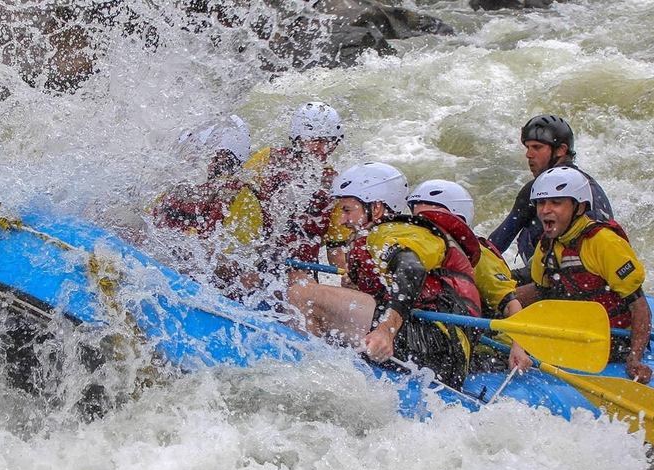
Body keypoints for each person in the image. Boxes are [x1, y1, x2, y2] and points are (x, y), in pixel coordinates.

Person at [287, 162, 481, 389]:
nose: (341, 220)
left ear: (376, 208)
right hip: (434, 344)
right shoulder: (386, 234)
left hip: (438, 346)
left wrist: (386, 329)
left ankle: (311, 378)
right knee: (307, 287)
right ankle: (323, 372)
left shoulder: (389, 233)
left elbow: (411, 269)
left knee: (302, 293)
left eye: (348, 210)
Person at [516, 167, 651, 383]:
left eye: (556, 203)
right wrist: (501, 301)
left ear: (579, 208)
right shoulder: (547, 245)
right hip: (573, 333)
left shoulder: (604, 243)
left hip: (613, 340)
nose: (545, 210)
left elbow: (639, 306)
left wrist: (635, 357)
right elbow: (540, 292)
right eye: (541, 203)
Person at [406, 179, 532, 372]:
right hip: (444, 335)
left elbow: (511, 305)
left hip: (491, 348)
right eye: (417, 219)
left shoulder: (477, 256)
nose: (420, 227)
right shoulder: (419, 251)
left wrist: (518, 346)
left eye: (428, 220)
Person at [488, 114, 614, 280]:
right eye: (527, 147)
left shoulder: (538, 190)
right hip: (581, 280)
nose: (529, 155)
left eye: (537, 147)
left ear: (561, 150)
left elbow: (492, 248)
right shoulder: (590, 186)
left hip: (560, 280)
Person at [152, 115, 264, 299]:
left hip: (210, 294)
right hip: (165, 275)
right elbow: (148, 225)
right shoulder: (178, 188)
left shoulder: (243, 199)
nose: (190, 160)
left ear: (224, 159)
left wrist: (184, 249)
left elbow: (238, 266)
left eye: (202, 154)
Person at [245, 101, 344, 284]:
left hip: (302, 272)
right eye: (316, 140)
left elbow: (335, 245)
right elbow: (238, 201)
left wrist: (350, 278)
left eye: (330, 142)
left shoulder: (334, 184)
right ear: (297, 138)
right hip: (256, 261)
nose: (324, 148)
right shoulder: (268, 159)